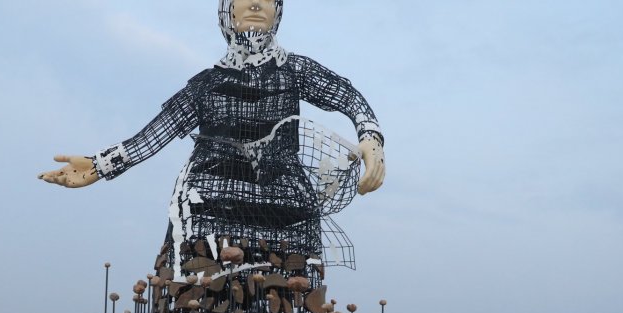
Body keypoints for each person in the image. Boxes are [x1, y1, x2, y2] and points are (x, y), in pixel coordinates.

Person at [39, 0, 385, 277]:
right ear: (227, 11)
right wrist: (99, 165)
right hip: (209, 205)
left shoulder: (295, 71)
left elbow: (347, 96)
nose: (254, 5)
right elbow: (155, 133)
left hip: (286, 208)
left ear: (278, 11)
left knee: (291, 290)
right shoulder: (205, 85)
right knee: (200, 291)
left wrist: (370, 138)